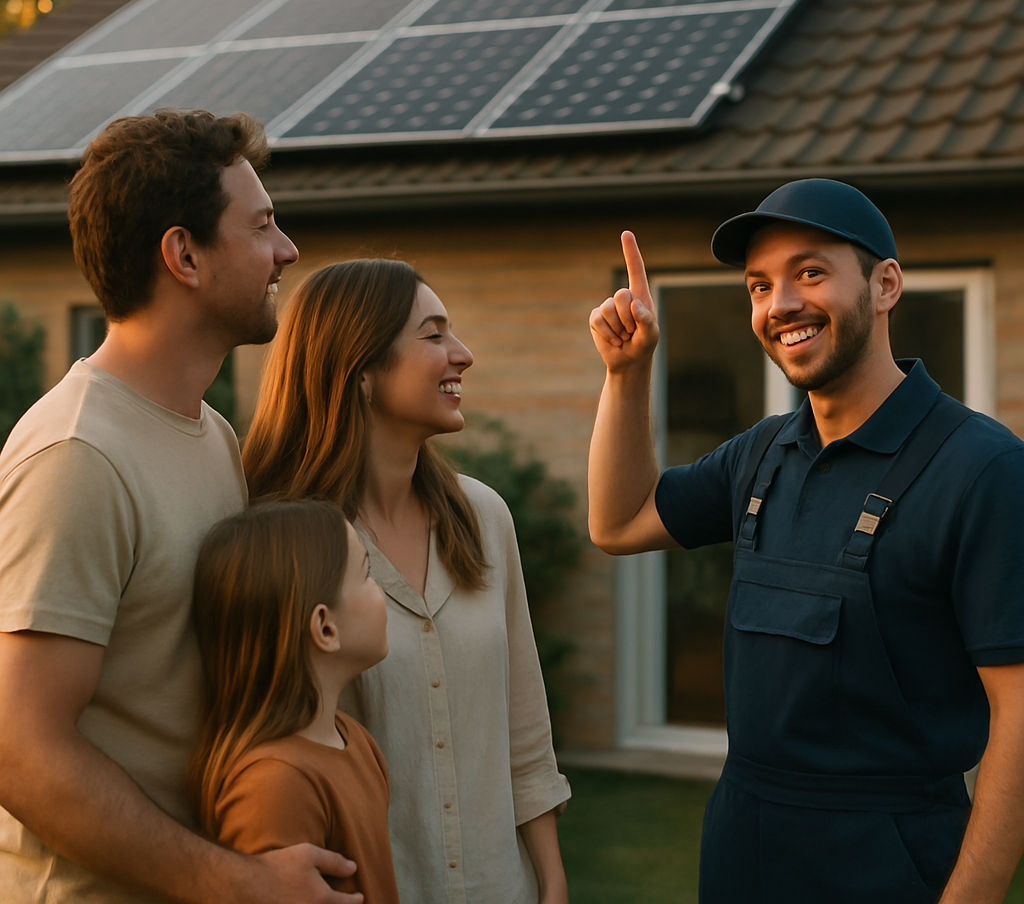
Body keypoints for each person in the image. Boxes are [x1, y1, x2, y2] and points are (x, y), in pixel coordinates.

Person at [588, 178, 1024, 904]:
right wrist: (626, 374)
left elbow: (1020, 714)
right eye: (759, 285)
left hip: (889, 864)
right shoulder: (759, 455)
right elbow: (619, 520)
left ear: (885, 286)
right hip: (741, 847)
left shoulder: (982, 469)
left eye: (810, 273)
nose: (779, 304)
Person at [0, 110, 362, 904]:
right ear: (184, 255)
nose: (288, 250)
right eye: (263, 225)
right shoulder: (77, 457)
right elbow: (22, 751)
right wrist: (239, 883)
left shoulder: (213, 437)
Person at [242, 259, 572, 904]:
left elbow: (526, 739)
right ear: (361, 370)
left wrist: (552, 884)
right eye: (433, 335)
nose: (463, 355)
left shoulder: (484, 520)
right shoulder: (283, 544)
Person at [188, 499, 399, 904]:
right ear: (325, 627)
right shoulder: (274, 787)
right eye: (367, 574)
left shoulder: (352, 739)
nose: (381, 590)